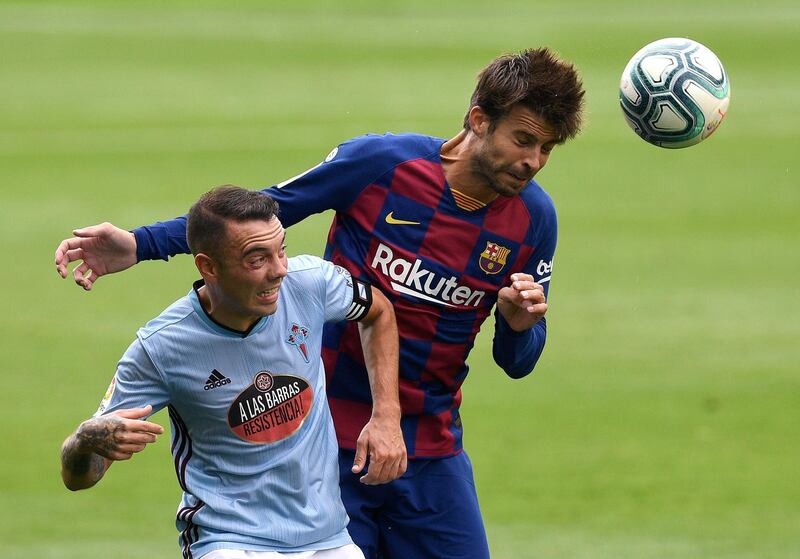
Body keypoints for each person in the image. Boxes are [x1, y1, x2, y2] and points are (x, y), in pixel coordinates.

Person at [55, 48, 585, 558]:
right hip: (324, 446)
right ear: (478, 119)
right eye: (523, 139)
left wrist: (518, 327)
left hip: (432, 448)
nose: (533, 161)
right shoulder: (380, 165)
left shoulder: (535, 220)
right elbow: (265, 213)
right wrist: (142, 244)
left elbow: (518, 363)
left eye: (548, 148)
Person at [59, 186, 406, 559]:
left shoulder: (310, 283)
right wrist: (84, 441)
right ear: (208, 266)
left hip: (329, 539)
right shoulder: (161, 347)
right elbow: (79, 478)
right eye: (257, 259)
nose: (279, 271)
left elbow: (378, 310)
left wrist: (387, 413)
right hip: (229, 542)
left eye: (281, 250)